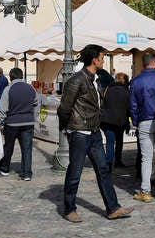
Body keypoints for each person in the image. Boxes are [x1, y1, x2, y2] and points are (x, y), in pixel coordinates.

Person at [57, 44, 133, 222]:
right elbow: (64, 108)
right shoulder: (76, 81)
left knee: (104, 169)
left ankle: (113, 208)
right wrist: (67, 128)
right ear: (94, 60)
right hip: (80, 132)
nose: (103, 60)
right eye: (102, 57)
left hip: (94, 132)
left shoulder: (95, 80)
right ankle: (69, 209)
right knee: (75, 172)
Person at [130, 53, 155, 202]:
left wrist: (136, 121)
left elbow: (133, 105)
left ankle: (145, 191)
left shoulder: (136, 81)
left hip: (144, 120)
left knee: (146, 158)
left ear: (143, 64)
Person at [0, 68, 37, 181]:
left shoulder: (8, 89)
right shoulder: (31, 88)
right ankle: (27, 173)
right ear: (22, 76)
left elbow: (3, 109)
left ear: (11, 77)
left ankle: (5, 168)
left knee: (9, 146)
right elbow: (36, 102)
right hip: (28, 122)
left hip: (12, 123)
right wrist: (34, 117)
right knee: (27, 148)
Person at [101, 73, 130, 171]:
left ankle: (109, 163)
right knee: (119, 141)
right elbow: (128, 107)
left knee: (110, 142)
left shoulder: (108, 89)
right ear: (125, 81)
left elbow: (103, 103)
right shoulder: (126, 91)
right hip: (120, 120)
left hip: (107, 120)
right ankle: (118, 161)